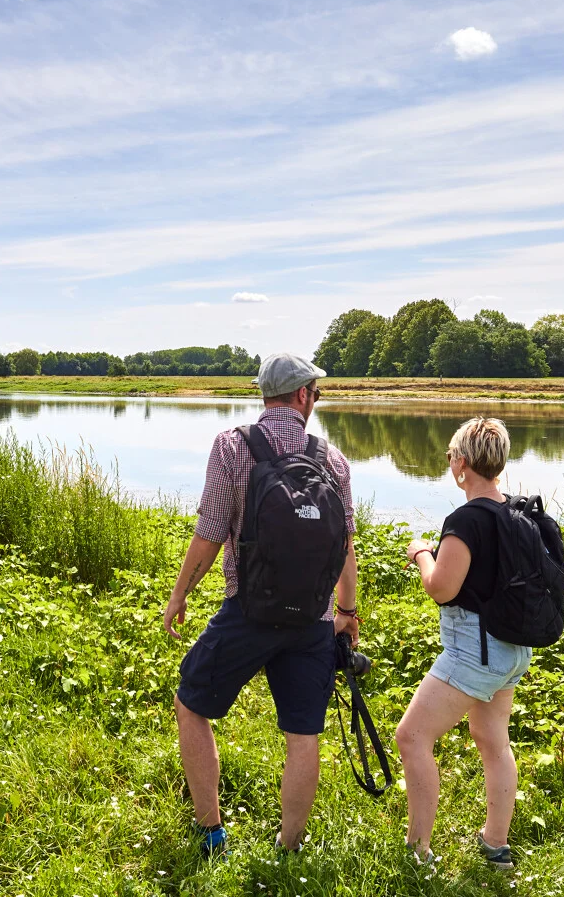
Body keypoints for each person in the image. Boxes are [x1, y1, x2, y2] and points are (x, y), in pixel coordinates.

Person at [161, 352, 361, 855]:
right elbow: (344, 546)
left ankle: (211, 833)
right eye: (316, 393)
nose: (316, 401)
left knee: (191, 705)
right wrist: (347, 612)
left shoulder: (233, 446)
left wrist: (180, 593)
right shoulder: (332, 460)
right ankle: (289, 845)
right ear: (300, 395)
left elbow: (209, 533)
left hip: (249, 614)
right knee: (302, 736)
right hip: (314, 621)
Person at [395, 416, 528, 871]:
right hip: (512, 651)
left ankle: (419, 852)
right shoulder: (517, 510)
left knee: (412, 737)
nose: (450, 462)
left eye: (451, 455)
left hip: (475, 653)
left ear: (462, 465)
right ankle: (496, 846)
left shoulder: (466, 519)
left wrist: (421, 554)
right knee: (492, 737)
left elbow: (442, 588)